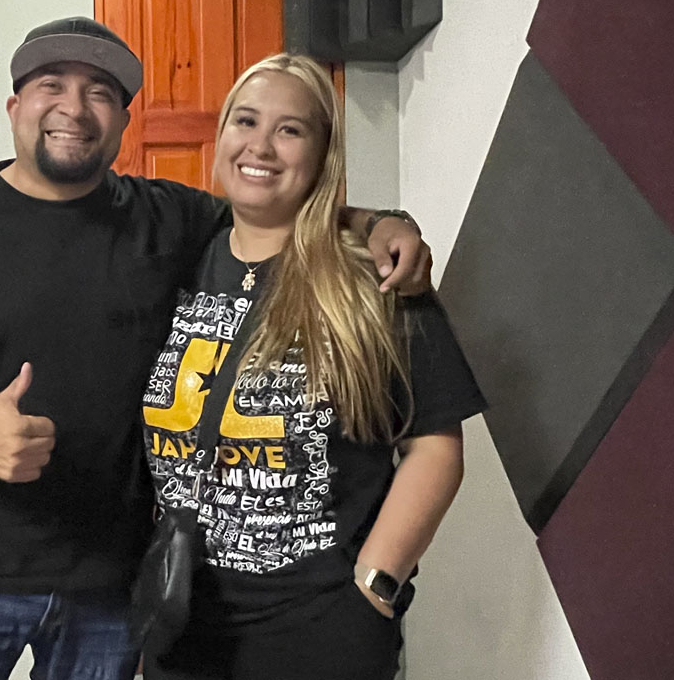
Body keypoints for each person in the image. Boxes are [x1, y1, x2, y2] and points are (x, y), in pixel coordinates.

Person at [0, 17, 430, 680]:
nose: (73, 108)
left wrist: (385, 223)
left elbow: (280, 202)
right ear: (14, 107)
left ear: (123, 121)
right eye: (51, 85)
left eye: (99, 92)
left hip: (112, 586)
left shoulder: (170, 218)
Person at [140, 53, 487, 680]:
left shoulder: (374, 279)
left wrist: (376, 586)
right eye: (246, 121)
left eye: (290, 130)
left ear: (323, 154)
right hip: (185, 623)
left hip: (320, 630)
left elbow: (435, 447)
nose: (260, 146)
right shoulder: (178, 260)